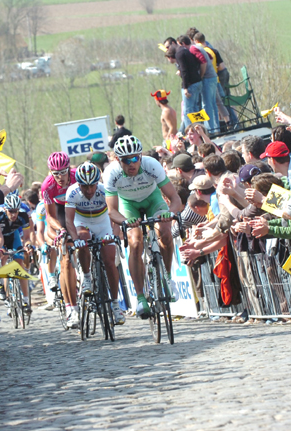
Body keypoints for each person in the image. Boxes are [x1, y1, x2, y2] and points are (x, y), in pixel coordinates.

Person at [103, 136, 182, 318]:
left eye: (135, 158)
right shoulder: (111, 173)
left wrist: (170, 212)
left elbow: (175, 199)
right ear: (117, 160)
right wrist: (124, 221)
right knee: (135, 241)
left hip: (152, 200)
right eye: (126, 160)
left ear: (140, 156)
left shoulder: (151, 164)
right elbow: (112, 211)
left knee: (164, 231)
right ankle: (140, 297)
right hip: (128, 205)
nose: (132, 164)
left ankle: (167, 278)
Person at [65, 162, 125, 325]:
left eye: (92, 186)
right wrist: (75, 240)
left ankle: (115, 304)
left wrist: (114, 235)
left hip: (103, 222)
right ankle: (86, 277)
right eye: (85, 187)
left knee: (110, 262)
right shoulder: (72, 192)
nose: (89, 190)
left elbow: (116, 214)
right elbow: (69, 221)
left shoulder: (104, 190)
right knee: (83, 240)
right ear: (79, 184)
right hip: (82, 222)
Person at [40, 151, 79, 327]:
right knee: (65, 261)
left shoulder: (77, 176)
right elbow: (50, 217)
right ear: (50, 173)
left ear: (69, 169)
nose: (60, 177)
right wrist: (61, 230)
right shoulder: (47, 186)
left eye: (63, 172)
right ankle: (71, 307)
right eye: (56, 174)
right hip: (60, 212)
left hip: (78, 208)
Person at [0, 194, 33, 320]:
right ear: (5, 209)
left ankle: (25, 300)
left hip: (13, 236)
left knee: (20, 265)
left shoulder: (23, 216)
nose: (14, 214)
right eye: (11, 211)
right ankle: (1, 284)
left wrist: (28, 246)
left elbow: (27, 238)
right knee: (0, 259)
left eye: (16, 211)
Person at [165, 44, 202, 132]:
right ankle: (200, 129)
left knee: (187, 111)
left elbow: (185, 71)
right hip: (197, 82)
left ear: (170, 57)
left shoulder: (179, 55)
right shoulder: (183, 51)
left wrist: (185, 88)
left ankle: (190, 132)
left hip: (190, 85)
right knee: (196, 109)